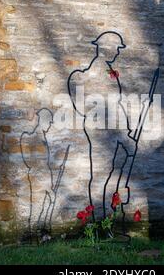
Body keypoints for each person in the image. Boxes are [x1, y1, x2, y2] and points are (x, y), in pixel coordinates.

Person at [68, 31, 136, 220]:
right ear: (103, 48)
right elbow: (92, 105)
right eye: (115, 48)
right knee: (101, 173)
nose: (117, 52)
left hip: (117, 131)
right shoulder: (91, 73)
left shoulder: (110, 72)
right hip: (102, 132)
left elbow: (117, 104)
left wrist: (126, 131)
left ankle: (110, 211)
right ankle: (99, 217)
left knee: (118, 169)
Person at [20, 108, 57, 239]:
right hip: (38, 180)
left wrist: (49, 184)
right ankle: (32, 235)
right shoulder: (31, 137)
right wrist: (46, 186)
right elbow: (32, 164)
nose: (51, 124)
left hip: (46, 179)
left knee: (46, 206)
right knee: (37, 207)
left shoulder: (43, 137)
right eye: (50, 121)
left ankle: (41, 233)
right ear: (42, 120)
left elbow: (44, 164)